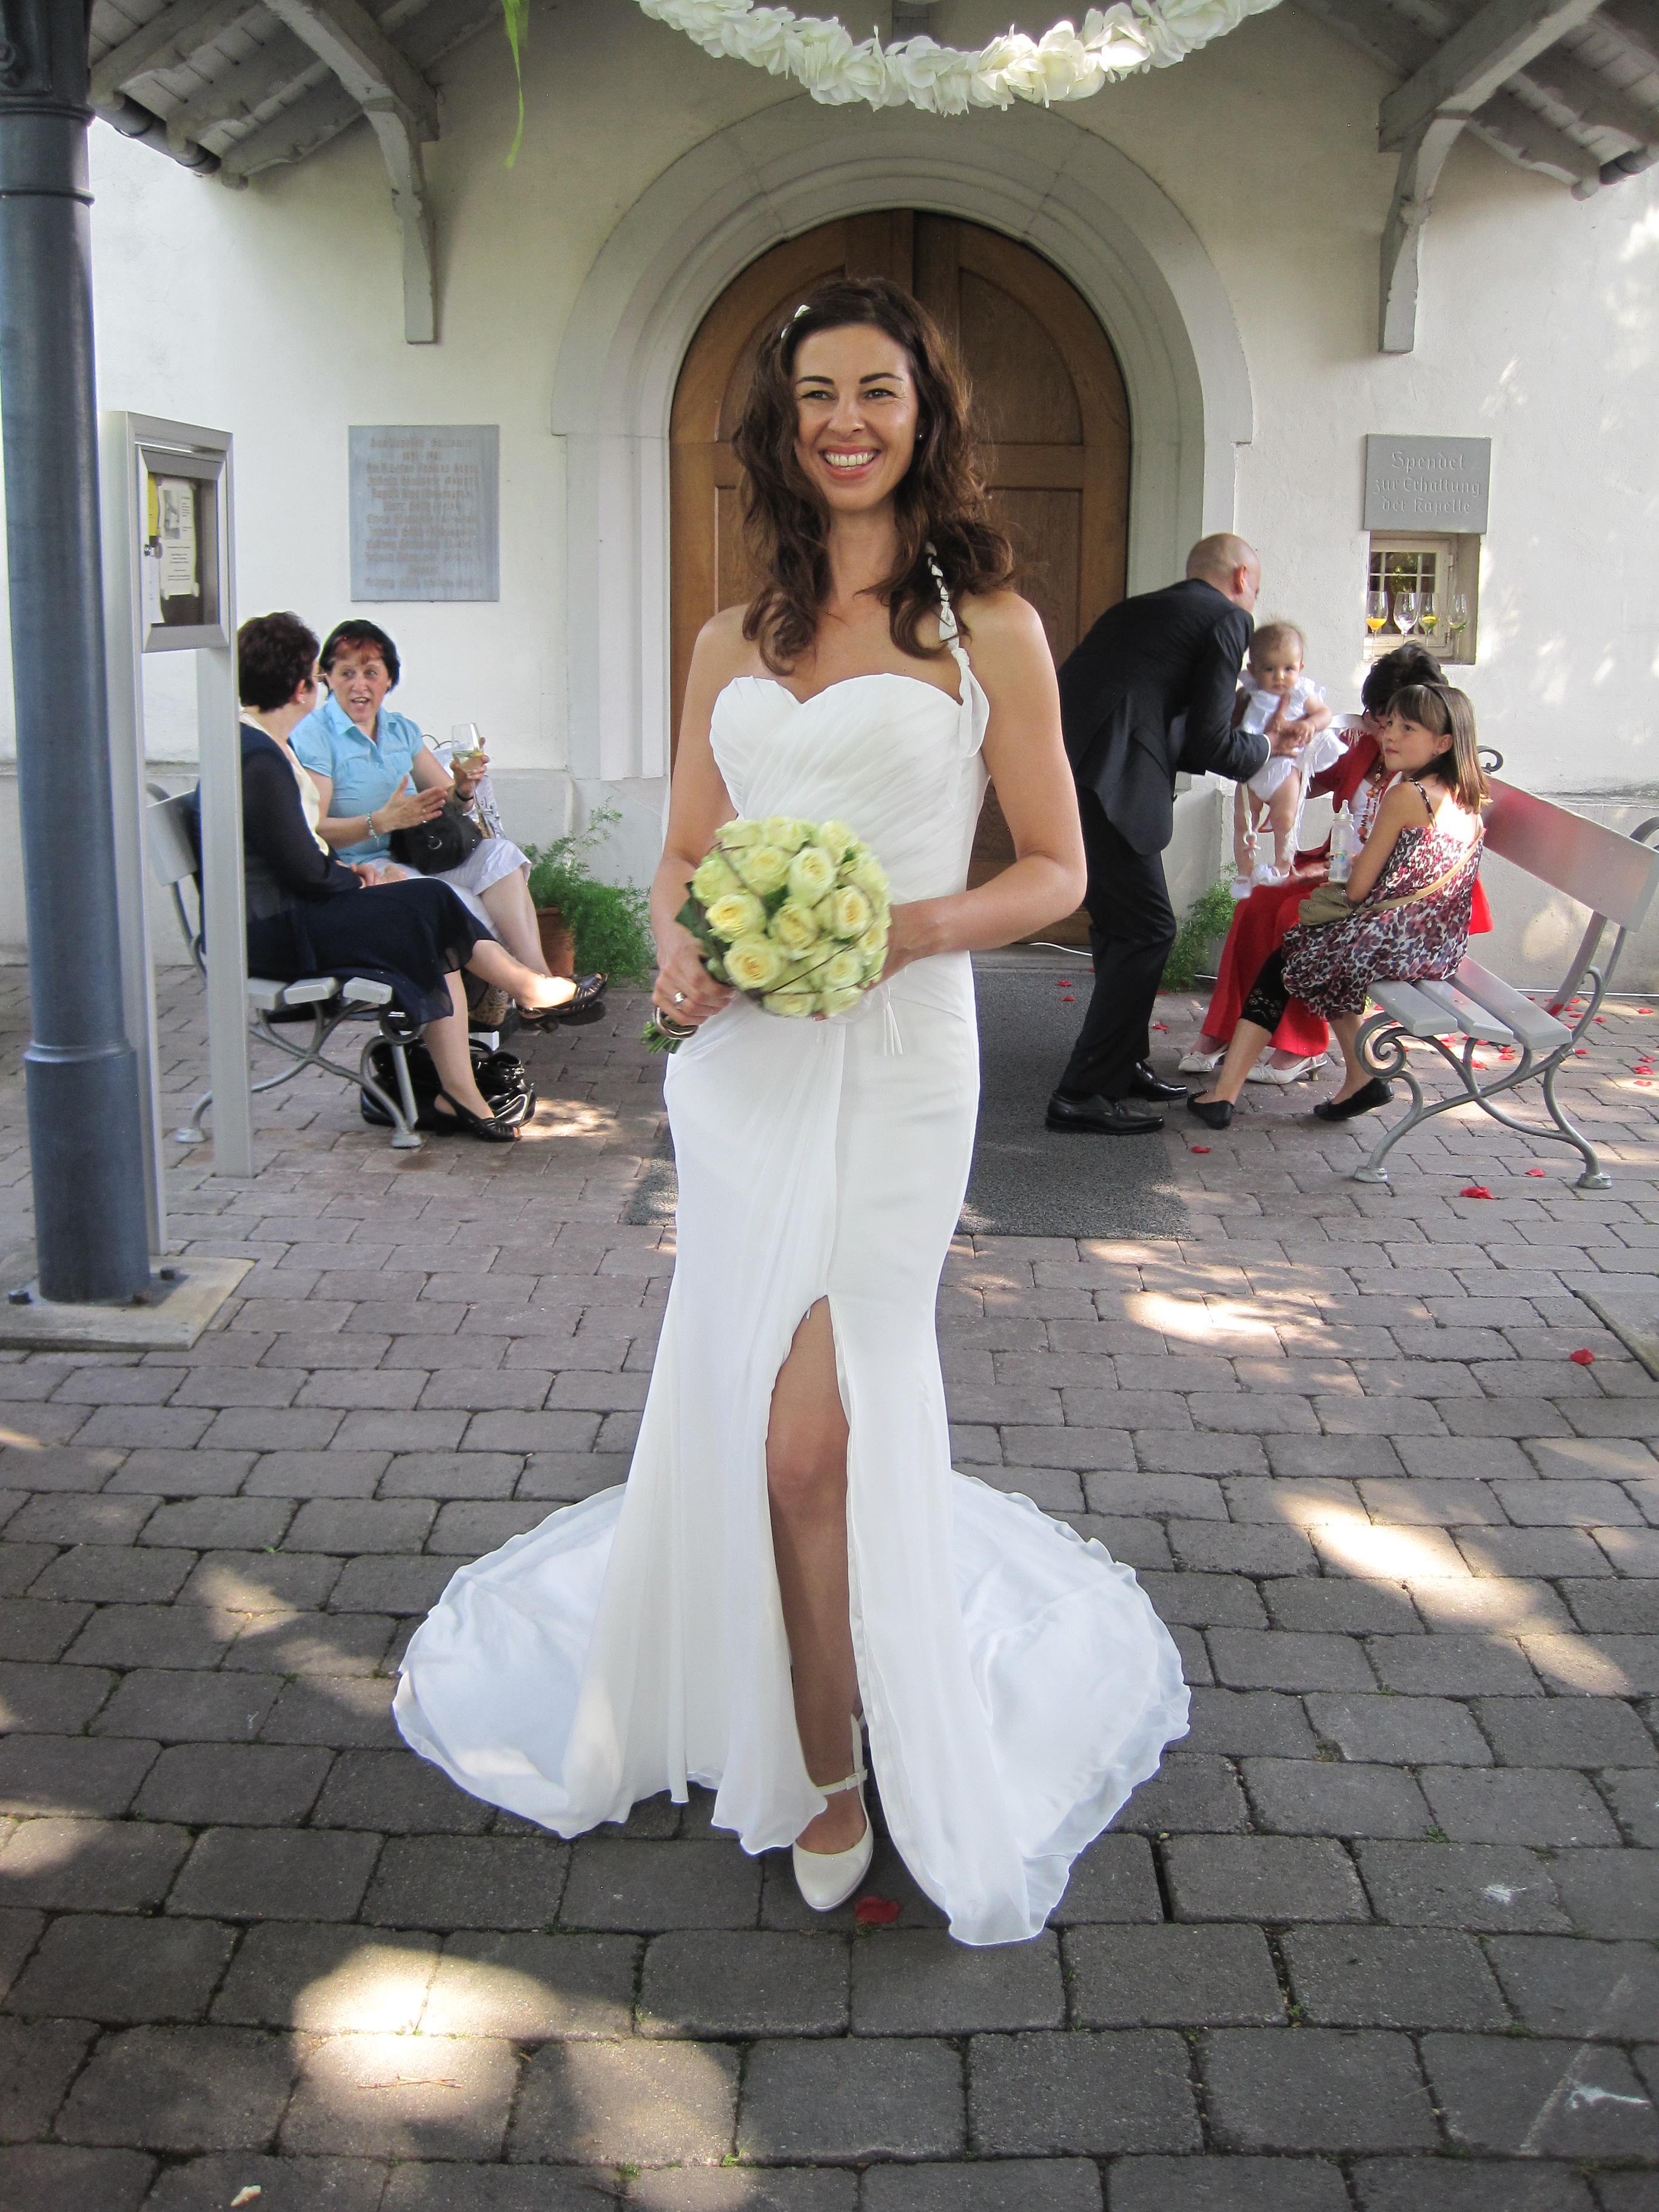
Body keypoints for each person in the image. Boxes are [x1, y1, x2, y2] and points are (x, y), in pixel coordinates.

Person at [392, 278, 1190, 1945]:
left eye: (876, 390)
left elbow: (1055, 869)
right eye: (817, 393)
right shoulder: (726, 639)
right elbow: (687, 850)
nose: (845, 421)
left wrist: (901, 929)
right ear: (782, 422)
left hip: (901, 1064)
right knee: (747, 1393)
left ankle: (828, 1762)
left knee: (811, 1436)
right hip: (746, 1076)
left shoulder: (990, 631)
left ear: (925, 413)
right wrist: (686, 952)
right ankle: (782, 1689)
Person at [231, 613, 585, 1140]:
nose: (335, 684)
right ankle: (525, 994)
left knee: (429, 906)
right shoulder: (262, 758)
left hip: (291, 914)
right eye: (326, 673)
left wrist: (346, 873)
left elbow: (295, 856)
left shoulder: (260, 746)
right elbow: (299, 863)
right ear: (304, 686)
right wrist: (356, 879)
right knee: (427, 906)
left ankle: (465, 1083)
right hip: (281, 934)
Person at [1047, 532, 1291, 1136]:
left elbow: (1170, 724)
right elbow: (1211, 741)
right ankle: (1081, 1094)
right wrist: (1268, 746)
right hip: (1111, 786)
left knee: (1122, 930)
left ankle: (1123, 1066)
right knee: (1147, 930)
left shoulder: (1140, 610)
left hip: (1071, 778)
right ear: (1241, 579)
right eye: (1256, 587)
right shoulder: (1227, 619)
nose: (1253, 600)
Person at [1181, 643, 1484, 1085]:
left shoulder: (1424, 778)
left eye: (1397, 721)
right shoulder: (1366, 748)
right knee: (1258, 902)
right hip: (1343, 871)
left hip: (1385, 894)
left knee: (1296, 917)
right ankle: (1223, 1030)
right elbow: (1304, 777)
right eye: (1378, 718)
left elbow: (1407, 867)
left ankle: (1299, 1045)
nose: (1382, 730)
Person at [290, 620, 597, 1027]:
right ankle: (532, 992)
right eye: (347, 673)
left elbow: (446, 801)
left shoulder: (400, 730)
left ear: (389, 679)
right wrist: (379, 822)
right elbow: (312, 830)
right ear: (328, 678)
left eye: (371, 673)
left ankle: (543, 984)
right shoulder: (317, 734)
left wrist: (464, 787)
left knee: (501, 857)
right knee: (454, 901)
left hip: (413, 855)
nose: (359, 685)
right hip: (360, 870)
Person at [1230, 620, 1339, 888]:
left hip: (1285, 768)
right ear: (1253, 670)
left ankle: (1282, 866)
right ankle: (1245, 872)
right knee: (1244, 822)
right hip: (1253, 769)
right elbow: (1231, 725)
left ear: (1300, 668)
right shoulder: (1248, 693)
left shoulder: (1301, 691)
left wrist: (1311, 723)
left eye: (1288, 669)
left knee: (1286, 819)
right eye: (1270, 669)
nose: (1280, 677)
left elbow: (1325, 714)